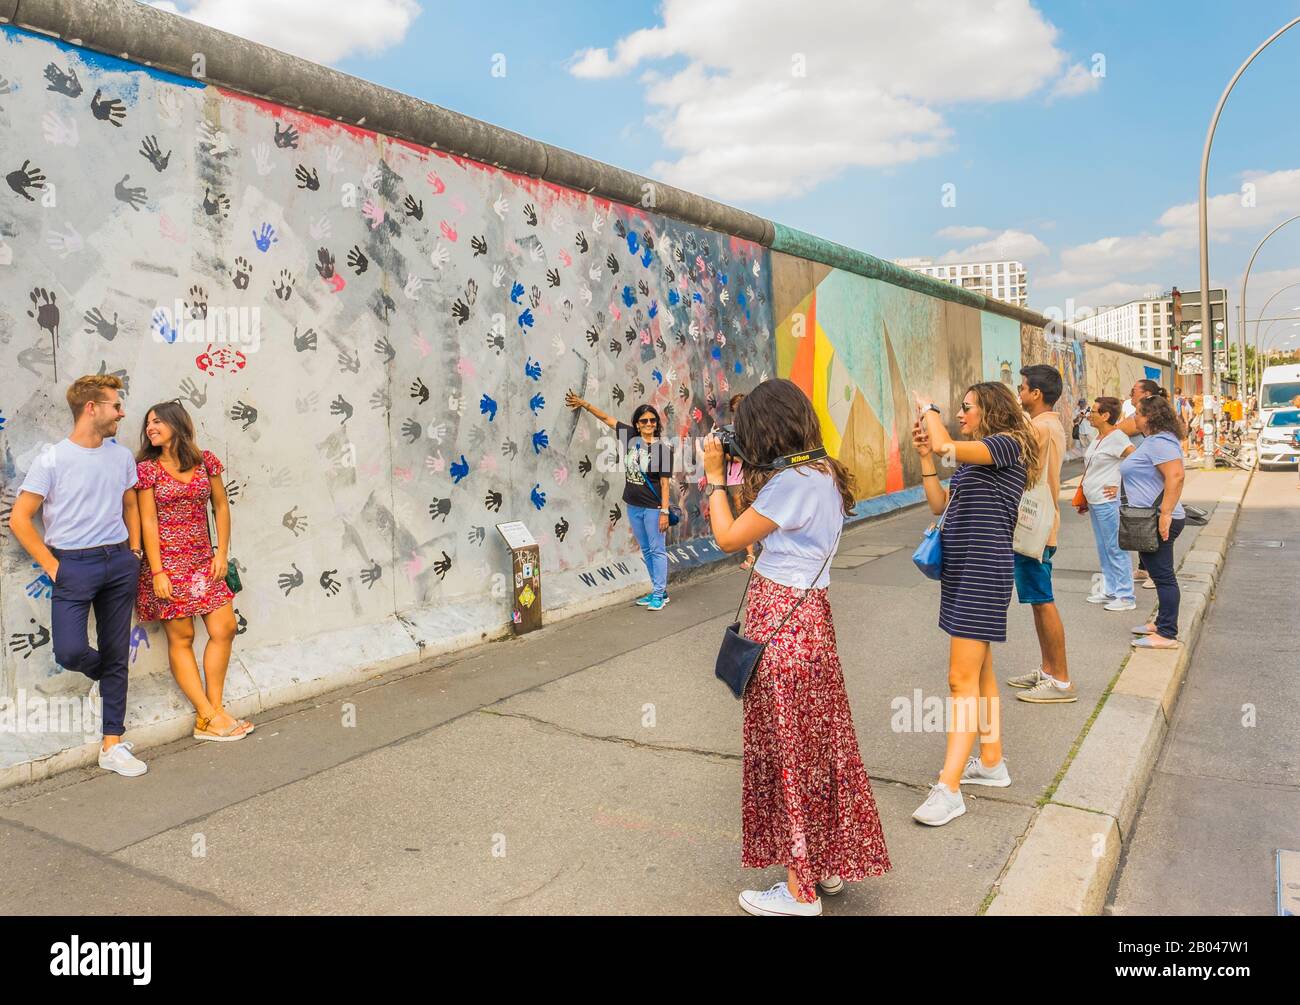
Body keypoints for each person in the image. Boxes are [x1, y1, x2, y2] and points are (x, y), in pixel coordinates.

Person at [701, 378, 890, 916]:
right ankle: (824, 861)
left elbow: (728, 537)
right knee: (820, 746)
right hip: (812, 624)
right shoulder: (822, 473)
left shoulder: (789, 483)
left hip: (780, 627)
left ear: (767, 430)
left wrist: (714, 479)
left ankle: (798, 889)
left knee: (788, 751)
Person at [912, 382, 1042, 826]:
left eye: (966, 407)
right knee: (981, 673)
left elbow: (945, 443)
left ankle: (949, 788)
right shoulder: (978, 457)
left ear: (990, 409)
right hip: (964, 570)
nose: (960, 414)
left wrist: (929, 409)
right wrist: (926, 459)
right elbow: (939, 505)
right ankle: (991, 761)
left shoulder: (1006, 445)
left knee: (959, 679)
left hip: (983, 574)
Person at [7, 375, 148, 777]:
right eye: (115, 406)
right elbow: (20, 519)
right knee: (69, 651)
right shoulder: (52, 459)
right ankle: (107, 676)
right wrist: (54, 567)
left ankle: (112, 745)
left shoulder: (120, 457)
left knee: (116, 649)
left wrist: (135, 552)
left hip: (119, 560)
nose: (121, 413)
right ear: (91, 408)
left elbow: (131, 505)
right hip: (73, 565)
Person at [135, 402, 251, 740]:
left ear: (177, 424)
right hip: (167, 566)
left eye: (157, 421)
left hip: (203, 562)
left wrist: (222, 554)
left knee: (225, 628)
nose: (150, 428)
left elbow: (220, 506)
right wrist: (157, 572)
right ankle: (207, 715)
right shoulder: (148, 470)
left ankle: (214, 712)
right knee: (182, 637)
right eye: (148, 424)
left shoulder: (205, 462)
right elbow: (148, 521)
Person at [565, 391, 675, 611]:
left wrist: (664, 512)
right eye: (644, 421)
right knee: (646, 549)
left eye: (652, 420)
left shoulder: (662, 450)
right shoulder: (630, 437)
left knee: (657, 550)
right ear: (637, 424)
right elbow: (607, 418)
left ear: (656, 424)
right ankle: (658, 590)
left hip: (653, 508)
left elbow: (664, 484)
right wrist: (584, 404)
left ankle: (659, 594)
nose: (649, 424)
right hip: (633, 506)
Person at [1006, 364, 1076, 703]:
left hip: (1035, 528)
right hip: (1041, 525)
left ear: (1036, 393)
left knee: (1043, 601)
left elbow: (1006, 454)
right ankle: (1048, 670)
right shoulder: (1048, 424)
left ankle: (1060, 680)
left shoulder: (1040, 427)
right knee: (1037, 601)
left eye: (1022, 388)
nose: (1019, 393)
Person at [1118, 395, 1187, 650]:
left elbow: (1176, 476)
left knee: (1163, 576)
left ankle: (1167, 633)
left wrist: (1165, 514)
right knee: (1157, 571)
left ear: (1150, 417)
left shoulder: (1160, 442)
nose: (1133, 417)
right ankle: (1161, 622)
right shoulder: (1156, 440)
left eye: (1137, 413)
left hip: (1157, 519)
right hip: (1149, 518)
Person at [1076, 397, 1136, 611]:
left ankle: (1126, 596)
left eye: (1093, 411)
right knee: (1103, 547)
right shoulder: (1099, 437)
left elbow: (1136, 460)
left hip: (1107, 502)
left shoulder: (1117, 437)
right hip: (1095, 500)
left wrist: (1119, 485)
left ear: (1105, 415)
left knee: (1115, 547)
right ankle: (1111, 589)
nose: (1089, 414)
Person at [726, 393, 758, 571]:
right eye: (734, 410)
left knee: (757, 510)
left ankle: (762, 550)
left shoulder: (756, 428)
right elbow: (726, 454)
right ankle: (750, 553)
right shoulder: (729, 430)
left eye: (739, 409)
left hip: (752, 475)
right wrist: (732, 456)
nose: (737, 413)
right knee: (742, 513)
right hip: (734, 477)